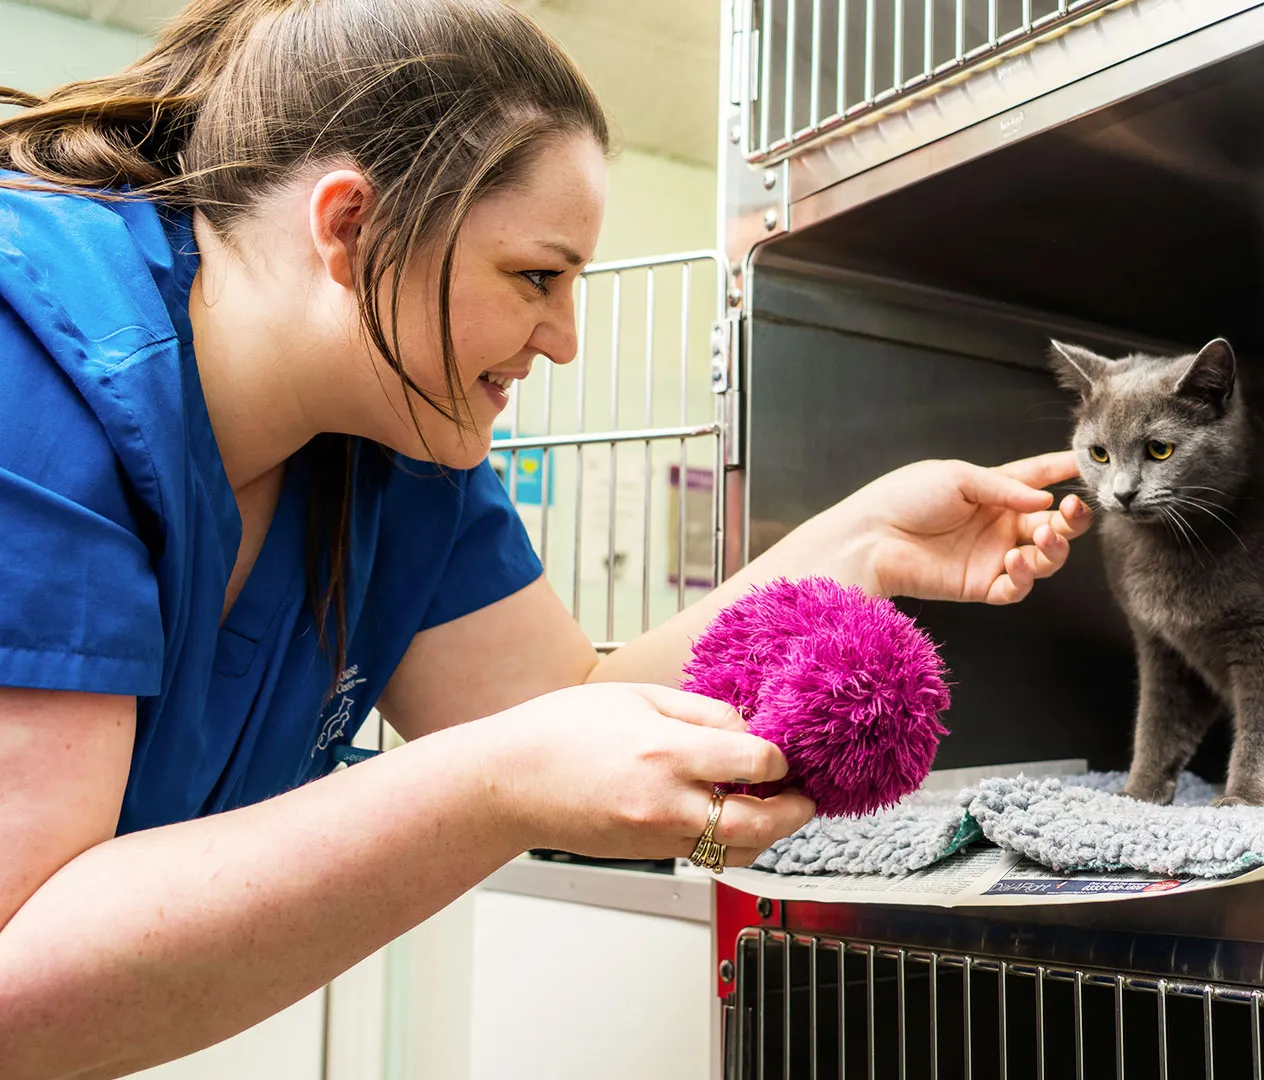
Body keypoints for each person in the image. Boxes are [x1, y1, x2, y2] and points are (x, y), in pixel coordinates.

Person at [0, 1, 1091, 1075]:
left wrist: (855, 543)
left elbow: (562, 703)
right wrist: (490, 786)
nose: (566, 341)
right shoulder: (37, 366)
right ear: (348, 226)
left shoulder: (397, 431)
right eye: (537, 277)